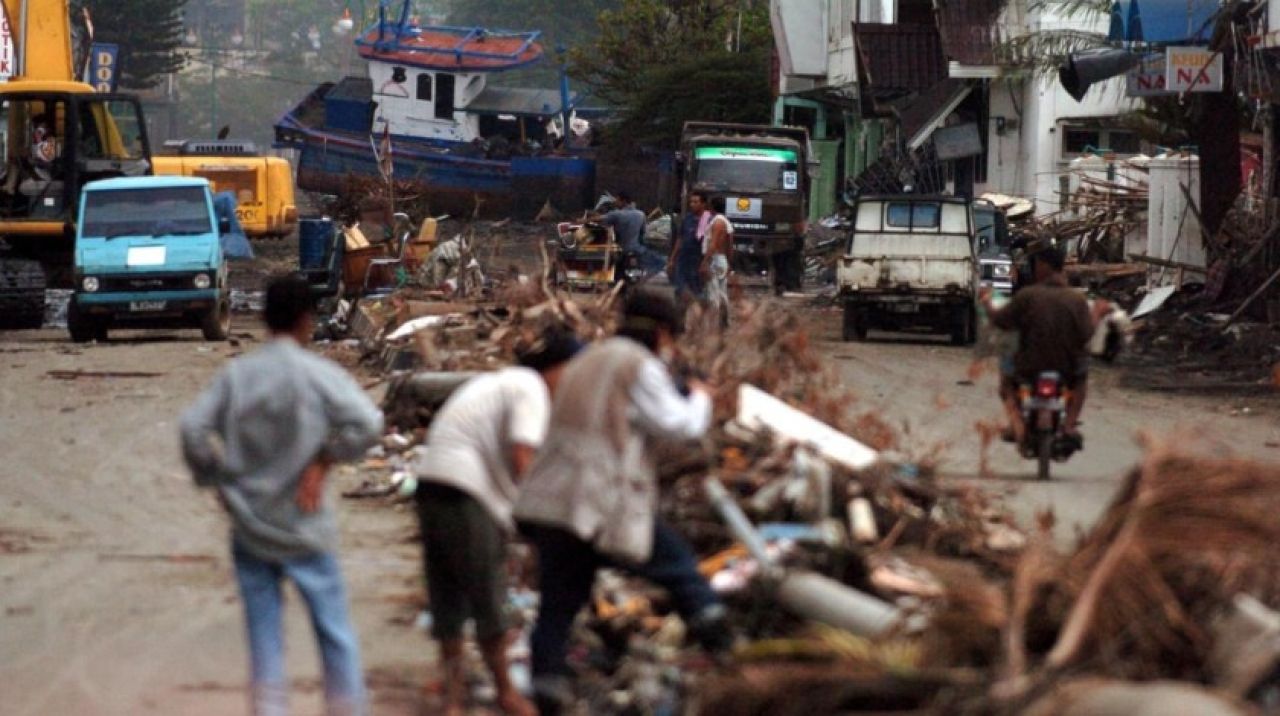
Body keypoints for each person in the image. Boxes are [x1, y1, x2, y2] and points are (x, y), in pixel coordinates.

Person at [513, 288, 732, 715]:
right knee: (680, 568)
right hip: (600, 499)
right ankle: (729, 657)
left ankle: (547, 691)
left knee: (558, 604)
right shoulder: (637, 365)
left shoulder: (588, 359)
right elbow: (678, 425)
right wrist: (701, 395)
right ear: (664, 333)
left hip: (553, 501)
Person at [180, 274, 383, 716]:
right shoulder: (319, 375)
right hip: (305, 522)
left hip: (250, 523)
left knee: (264, 635)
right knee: (334, 631)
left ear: (265, 318)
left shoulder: (238, 376)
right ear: (307, 320)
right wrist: (324, 461)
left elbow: (192, 429)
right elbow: (368, 424)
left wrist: (214, 478)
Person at [410, 327, 582, 716]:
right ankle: (507, 692)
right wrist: (544, 526)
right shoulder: (530, 388)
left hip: (431, 483)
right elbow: (525, 458)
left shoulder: (503, 382)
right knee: (488, 597)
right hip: (466, 491)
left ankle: (453, 698)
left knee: (447, 596)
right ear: (555, 367)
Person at [980, 245, 1093, 448]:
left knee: (1006, 383)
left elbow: (1001, 321)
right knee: (1081, 381)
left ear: (1042, 265)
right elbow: (1087, 334)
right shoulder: (1077, 300)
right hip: (1066, 367)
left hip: (1029, 365)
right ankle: (1068, 425)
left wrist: (987, 303)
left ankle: (1016, 424)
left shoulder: (1027, 296)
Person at [596, 191, 664, 275]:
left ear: (623, 201)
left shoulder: (616, 214)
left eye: (617, 200)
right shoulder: (641, 214)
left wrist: (584, 220)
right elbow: (642, 234)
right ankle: (641, 281)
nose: (615, 202)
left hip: (619, 249)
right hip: (636, 249)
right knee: (661, 262)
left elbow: (601, 223)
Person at [667, 191, 708, 304]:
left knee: (697, 289)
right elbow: (680, 239)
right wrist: (672, 259)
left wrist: (705, 262)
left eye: (696, 202)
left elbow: (706, 240)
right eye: (691, 202)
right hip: (683, 258)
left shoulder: (707, 219)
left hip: (697, 259)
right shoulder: (687, 218)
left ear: (703, 204)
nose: (692, 204)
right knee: (680, 287)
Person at [700, 197, 734, 327]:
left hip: (714, 260)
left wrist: (705, 262)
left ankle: (714, 324)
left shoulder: (717, 222)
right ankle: (724, 321)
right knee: (722, 293)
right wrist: (729, 262)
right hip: (722, 260)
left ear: (712, 206)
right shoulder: (726, 222)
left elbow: (713, 244)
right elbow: (730, 246)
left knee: (713, 294)